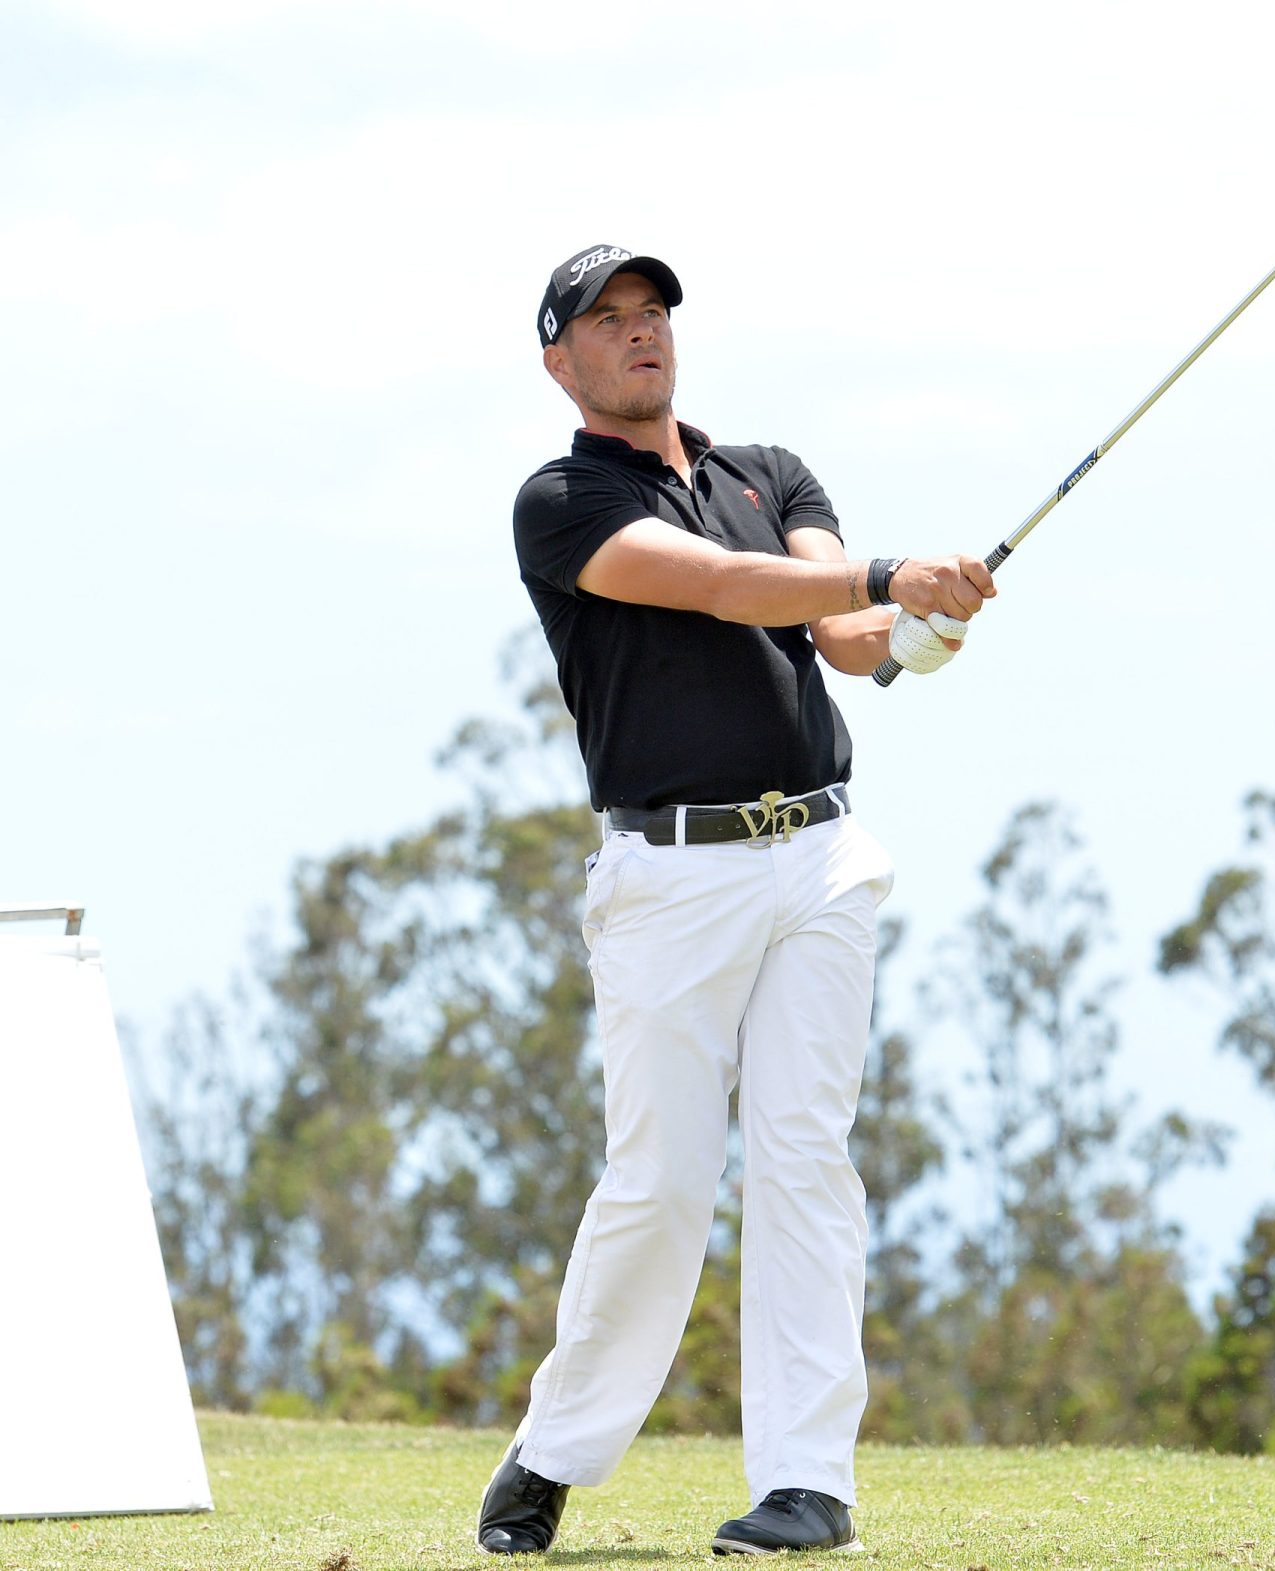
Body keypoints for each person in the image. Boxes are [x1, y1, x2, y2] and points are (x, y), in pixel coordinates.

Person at [475, 244, 994, 1557]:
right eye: (610, 321)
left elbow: (848, 639)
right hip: (672, 875)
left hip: (818, 856)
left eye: (654, 315)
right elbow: (718, 589)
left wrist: (929, 622)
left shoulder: (770, 474)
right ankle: (555, 1448)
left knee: (808, 1156)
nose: (641, 335)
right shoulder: (562, 502)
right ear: (562, 362)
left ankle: (809, 1483)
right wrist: (887, 576)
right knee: (660, 1181)